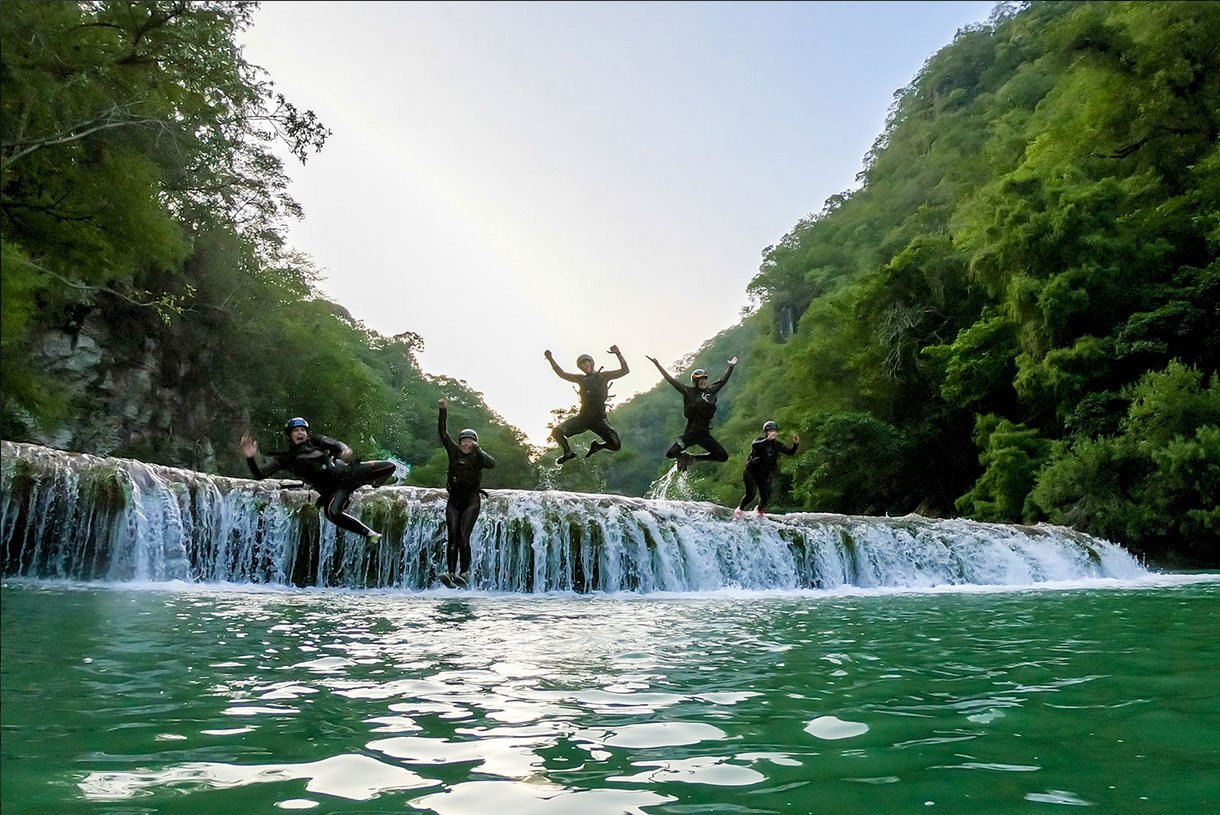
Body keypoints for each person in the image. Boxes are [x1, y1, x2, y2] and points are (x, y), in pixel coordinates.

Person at [241, 418, 395, 542]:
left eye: (303, 430)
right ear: (289, 436)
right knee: (332, 513)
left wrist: (344, 449)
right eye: (296, 430)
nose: (300, 432)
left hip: (348, 473)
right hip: (334, 489)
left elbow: (336, 444)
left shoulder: (316, 441)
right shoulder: (285, 459)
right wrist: (250, 458)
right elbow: (259, 475)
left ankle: (376, 484)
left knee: (389, 466)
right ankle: (370, 534)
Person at [438, 397, 495, 588]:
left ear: (475, 443)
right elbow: (443, 433)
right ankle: (451, 572)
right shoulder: (453, 452)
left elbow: (492, 464)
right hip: (454, 500)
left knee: (463, 536)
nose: (466, 444)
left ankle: (465, 572)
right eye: (464, 441)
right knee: (452, 536)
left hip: (471, 501)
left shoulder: (478, 457)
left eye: (470, 441)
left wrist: (480, 450)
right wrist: (443, 410)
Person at [647, 355, 738, 471]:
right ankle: (683, 456)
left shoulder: (710, 393)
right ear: (695, 381)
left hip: (704, 435)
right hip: (690, 434)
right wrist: (657, 365)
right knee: (670, 453)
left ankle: (694, 458)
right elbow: (671, 380)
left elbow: (723, 381)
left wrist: (731, 367)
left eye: (705, 379)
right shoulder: (688, 392)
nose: (704, 381)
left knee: (722, 456)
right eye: (701, 380)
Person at [545, 345, 629, 465]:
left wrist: (618, 353)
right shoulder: (581, 379)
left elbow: (625, 370)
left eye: (585, 363)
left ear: (591, 362)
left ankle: (597, 447)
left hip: (599, 419)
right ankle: (568, 453)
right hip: (583, 418)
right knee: (556, 432)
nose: (584, 367)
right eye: (581, 366)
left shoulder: (603, 376)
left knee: (615, 445)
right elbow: (562, 374)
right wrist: (550, 359)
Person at [736, 420, 799, 519]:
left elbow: (790, 452)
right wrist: (767, 440)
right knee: (751, 495)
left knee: (765, 498)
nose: (773, 433)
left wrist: (795, 444)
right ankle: (740, 509)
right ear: (766, 432)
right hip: (751, 472)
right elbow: (754, 445)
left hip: (765, 474)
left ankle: (758, 511)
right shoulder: (759, 441)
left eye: (774, 431)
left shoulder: (777, 444)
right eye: (770, 431)